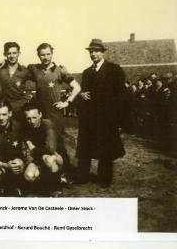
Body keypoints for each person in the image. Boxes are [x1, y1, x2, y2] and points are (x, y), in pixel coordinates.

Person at [76, 39, 126, 188]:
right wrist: (82, 95)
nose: (93, 54)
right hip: (89, 119)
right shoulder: (86, 72)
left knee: (106, 149)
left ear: (103, 52)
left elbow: (121, 96)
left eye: (96, 51)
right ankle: (83, 175)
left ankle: (104, 178)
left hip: (107, 119)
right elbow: (84, 92)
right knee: (85, 148)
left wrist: (119, 120)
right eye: (91, 51)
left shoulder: (114, 69)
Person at [28, 43, 81, 184]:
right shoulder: (34, 69)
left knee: (60, 145)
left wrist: (67, 102)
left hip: (55, 115)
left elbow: (77, 87)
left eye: (48, 54)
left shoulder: (60, 70)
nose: (45, 57)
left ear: (52, 54)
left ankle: (65, 174)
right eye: (42, 54)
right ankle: (47, 173)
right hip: (41, 115)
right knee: (43, 144)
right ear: (38, 55)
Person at [22, 102, 63, 197]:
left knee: (49, 159)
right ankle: (44, 182)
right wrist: (30, 146)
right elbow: (28, 151)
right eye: (28, 118)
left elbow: (51, 149)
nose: (31, 121)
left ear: (40, 115)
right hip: (37, 158)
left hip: (57, 157)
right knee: (29, 176)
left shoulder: (47, 124)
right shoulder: (25, 127)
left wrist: (34, 148)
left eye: (34, 117)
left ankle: (56, 187)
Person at [0, 99, 25, 196]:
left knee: (17, 164)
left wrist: (23, 162)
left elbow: (25, 148)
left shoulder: (18, 126)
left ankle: (16, 186)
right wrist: (4, 165)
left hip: (15, 161)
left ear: (10, 114)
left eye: (4, 114)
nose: (1, 118)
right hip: (0, 163)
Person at [0, 42, 34, 119]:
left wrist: (22, 104)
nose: (12, 56)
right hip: (2, 110)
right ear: (5, 54)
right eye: (9, 53)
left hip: (19, 110)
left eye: (14, 53)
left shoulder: (25, 71)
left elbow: (29, 92)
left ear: (19, 53)